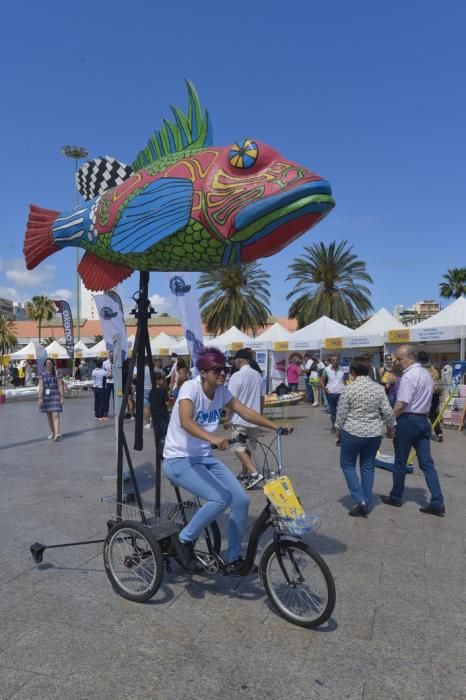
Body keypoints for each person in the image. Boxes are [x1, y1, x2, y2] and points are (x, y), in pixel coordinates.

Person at [162, 346, 280, 572]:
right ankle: (184, 539)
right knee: (220, 498)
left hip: (203, 457)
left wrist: (277, 427)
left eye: (224, 368)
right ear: (203, 372)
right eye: (216, 370)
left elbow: (245, 411)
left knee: (241, 501)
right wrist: (212, 438)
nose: (222, 373)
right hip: (178, 459)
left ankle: (234, 558)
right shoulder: (190, 388)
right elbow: (186, 421)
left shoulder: (222, 392)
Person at [381, 344, 445, 516]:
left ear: (410, 358)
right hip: (423, 420)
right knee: (427, 463)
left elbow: (401, 404)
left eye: (400, 359)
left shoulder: (409, 376)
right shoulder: (425, 373)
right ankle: (437, 501)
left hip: (408, 421)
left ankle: (396, 497)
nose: (398, 362)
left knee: (400, 461)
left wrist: (389, 421)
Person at [335, 357, 396, 516]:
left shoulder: (349, 389)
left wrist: (338, 432)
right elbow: (388, 412)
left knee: (347, 465)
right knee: (368, 466)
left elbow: (341, 414)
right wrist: (390, 428)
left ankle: (359, 499)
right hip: (374, 433)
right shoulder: (378, 388)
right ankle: (366, 502)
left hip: (352, 432)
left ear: (353, 372)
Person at [223, 348, 265, 490]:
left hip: (239, 418)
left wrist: (227, 417)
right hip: (254, 418)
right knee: (247, 448)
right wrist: (259, 416)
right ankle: (245, 473)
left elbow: (231, 399)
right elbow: (262, 398)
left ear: (240, 359)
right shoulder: (258, 376)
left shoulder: (237, 376)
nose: (233, 362)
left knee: (237, 447)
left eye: (235, 359)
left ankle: (254, 473)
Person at [417, 351, 443, 442]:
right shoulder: (434, 370)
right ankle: (439, 432)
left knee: (421, 414)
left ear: (419, 360)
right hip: (434, 394)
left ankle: (421, 433)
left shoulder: (419, 371)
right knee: (433, 415)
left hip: (424, 395)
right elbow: (439, 383)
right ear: (428, 359)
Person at [38, 358, 64, 440]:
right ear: (45, 365)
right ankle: (52, 433)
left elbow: (60, 385)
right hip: (46, 397)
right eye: (47, 363)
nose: (48, 365)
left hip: (55, 396)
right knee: (49, 416)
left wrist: (62, 397)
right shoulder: (42, 374)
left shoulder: (57, 373)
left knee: (55, 415)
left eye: (50, 363)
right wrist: (40, 398)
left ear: (53, 364)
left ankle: (57, 434)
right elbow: (41, 386)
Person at [320, 355, 345, 432]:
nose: (335, 362)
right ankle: (334, 426)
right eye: (333, 360)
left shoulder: (342, 369)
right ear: (330, 361)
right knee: (333, 411)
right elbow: (321, 381)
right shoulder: (326, 369)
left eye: (337, 360)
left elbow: (346, 379)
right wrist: (326, 390)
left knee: (341, 410)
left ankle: (340, 427)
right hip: (331, 393)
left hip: (341, 393)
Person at [149, 370, 170, 440]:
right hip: (163, 415)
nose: (163, 380)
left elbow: (150, 403)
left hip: (155, 415)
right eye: (161, 379)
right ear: (157, 380)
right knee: (165, 431)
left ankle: (158, 444)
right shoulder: (163, 391)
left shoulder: (151, 391)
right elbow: (167, 403)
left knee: (157, 432)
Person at [102, 351, 114, 417]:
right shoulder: (105, 363)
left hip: (115, 382)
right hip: (108, 382)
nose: (111, 356)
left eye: (112, 355)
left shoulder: (116, 361)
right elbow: (103, 372)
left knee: (115, 398)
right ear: (108, 355)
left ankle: (116, 411)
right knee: (106, 398)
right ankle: (105, 412)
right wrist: (107, 375)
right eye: (110, 355)